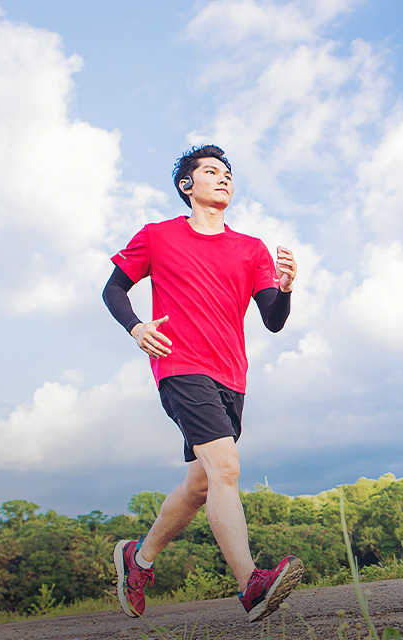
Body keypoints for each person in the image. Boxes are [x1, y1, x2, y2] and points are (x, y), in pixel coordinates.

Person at [102, 144, 303, 622]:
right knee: (227, 469)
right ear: (186, 186)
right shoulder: (157, 236)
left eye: (228, 173)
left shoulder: (251, 248)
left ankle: (139, 559)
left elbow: (272, 320)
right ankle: (251, 586)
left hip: (232, 375)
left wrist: (288, 288)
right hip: (180, 365)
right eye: (211, 171)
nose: (224, 178)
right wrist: (136, 327)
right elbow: (113, 288)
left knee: (200, 485)